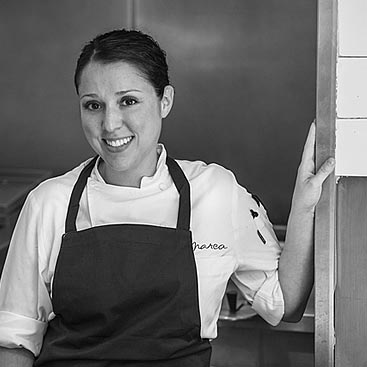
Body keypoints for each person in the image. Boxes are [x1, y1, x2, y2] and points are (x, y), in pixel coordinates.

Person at [0, 29, 335, 366]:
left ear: (165, 101)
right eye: (93, 105)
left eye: (128, 101)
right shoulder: (49, 203)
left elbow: (285, 304)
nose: (110, 123)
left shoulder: (216, 192)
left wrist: (304, 205)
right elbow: (15, 343)